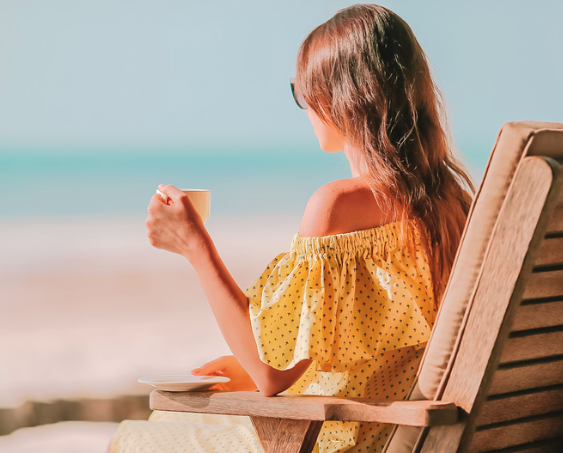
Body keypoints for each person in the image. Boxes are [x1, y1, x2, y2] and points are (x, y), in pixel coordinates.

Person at [110, 3, 474, 452]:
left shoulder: (336, 206)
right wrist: (251, 364)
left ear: (341, 97)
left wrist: (193, 244)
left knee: (138, 437)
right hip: (403, 431)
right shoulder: (454, 205)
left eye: (302, 91)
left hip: (336, 437)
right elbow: (376, 350)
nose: (303, 107)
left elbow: (269, 375)